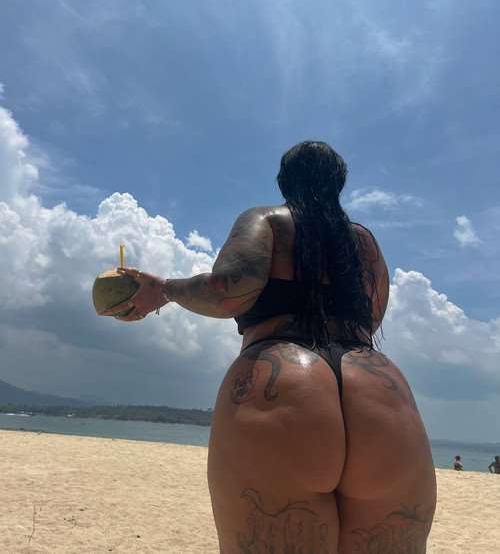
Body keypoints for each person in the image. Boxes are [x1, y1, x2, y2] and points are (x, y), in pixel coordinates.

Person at [104, 141, 437, 553]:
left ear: (283, 183)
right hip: (378, 391)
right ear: (340, 183)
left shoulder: (266, 220)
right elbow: (372, 316)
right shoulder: (364, 242)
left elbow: (229, 291)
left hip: (283, 383)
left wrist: (164, 290)